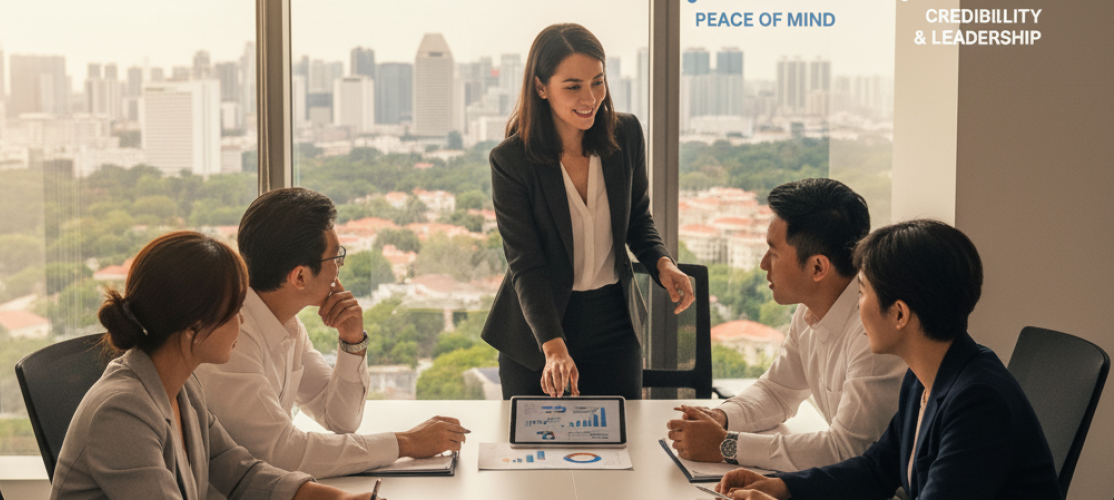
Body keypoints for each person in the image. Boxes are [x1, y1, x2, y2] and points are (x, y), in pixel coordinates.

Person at [715, 219, 1062, 500]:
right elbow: (876, 469)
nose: (857, 305)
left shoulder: (979, 402)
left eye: (862, 292)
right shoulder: (923, 376)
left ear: (899, 314)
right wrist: (786, 487)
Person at [50, 231, 379, 500]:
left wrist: (338, 499)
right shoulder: (121, 412)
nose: (242, 320)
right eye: (235, 310)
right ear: (194, 326)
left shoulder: (183, 387)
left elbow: (239, 473)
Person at [195, 188, 466, 486]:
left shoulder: (288, 325)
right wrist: (406, 443)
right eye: (336, 257)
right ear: (299, 276)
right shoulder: (232, 339)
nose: (340, 268)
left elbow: (340, 419)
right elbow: (284, 454)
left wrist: (352, 341)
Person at [483, 23, 694, 400]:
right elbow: (525, 264)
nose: (590, 97)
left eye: (598, 82)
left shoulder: (626, 135)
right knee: (538, 451)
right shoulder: (511, 161)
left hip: (613, 322)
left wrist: (662, 263)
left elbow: (637, 220)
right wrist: (553, 347)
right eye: (573, 86)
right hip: (539, 329)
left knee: (620, 441)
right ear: (541, 87)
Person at [667, 179, 907, 472]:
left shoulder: (872, 333)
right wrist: (720, 418)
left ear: (818, 267)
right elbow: (778, 391)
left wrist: (725, 445)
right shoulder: (810, 310)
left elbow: (847, 450)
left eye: (774, 252)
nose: (763, 264)